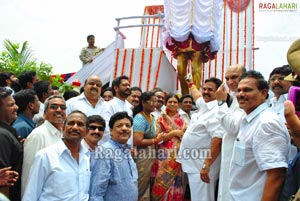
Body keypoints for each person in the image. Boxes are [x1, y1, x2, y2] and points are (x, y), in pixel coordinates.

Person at [229, 70, 290, 200]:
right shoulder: (249, 120)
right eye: (239, 90)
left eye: (247, 90)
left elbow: (276, 174)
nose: (241, 94)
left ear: (263, 93)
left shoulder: (266, 123)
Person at [22, 110, 91, 201]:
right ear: (63, 127)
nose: (75, 127)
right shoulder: (45, 156)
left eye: (80, 124)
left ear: (87, 131)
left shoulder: (86, 156)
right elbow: (31, 194)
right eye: (71, 123)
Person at [177, 77, 224, 201]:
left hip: (202, 166)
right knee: (197, 196)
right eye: (205, 89)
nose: (206, 92)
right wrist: (190, 83)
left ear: (218, 92)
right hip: (194, 163)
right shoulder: (204, 104)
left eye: (210, 90)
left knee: (202, 197)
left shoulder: (217, 111)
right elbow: (197, 95)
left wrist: (206, 165)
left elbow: (218, 139)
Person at [21, 95, 66, 196]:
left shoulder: (64, 135)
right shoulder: (38, 135)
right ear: (45, 113)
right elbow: (29, 176)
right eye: (54, 107)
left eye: (62, 107)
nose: (59, 110)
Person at [89, 112, 138, 201]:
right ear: (111, 131)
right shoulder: (104, 152)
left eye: (127, 126)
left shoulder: (127, 150)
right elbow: (96, 192)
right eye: (119, 126)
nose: (124, 128)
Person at [215, 64, 246, 201]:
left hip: (238, 153)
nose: (229, 82)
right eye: (227, 78)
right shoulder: (234, 97)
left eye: (234, 77)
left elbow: (233, 127)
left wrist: (221, 103)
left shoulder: (245, 98)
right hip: (229, 152)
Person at [151, 93, 186, 200]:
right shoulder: (160, 119)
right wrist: (173, 133)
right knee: (161, 179)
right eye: (170, 102)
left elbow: (185, 137)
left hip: (177, 155)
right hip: (163, 155)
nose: (172, 104)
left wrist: (179, 134)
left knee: (174, 181)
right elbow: (157, 138)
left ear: (179, 105)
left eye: (175, 102)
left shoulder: (183, 121)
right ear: (165, 104)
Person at [132, 91, 162, 201]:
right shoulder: (140, 118)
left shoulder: (152, 117)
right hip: (142, 156)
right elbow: (137, 141)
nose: (155, 104)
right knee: (141, 181)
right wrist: (156, 139)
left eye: (156, 101)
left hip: (151, 154)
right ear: (143, 102)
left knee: (148, 182)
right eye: (152, 101)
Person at [0, 87, 22, 201]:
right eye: (10, 105)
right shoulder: (2, 135)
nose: (16, 107)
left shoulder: (8, 132)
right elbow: (5, 178)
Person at [102, 75, 133, 144]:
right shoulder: (109, 105)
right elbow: (107, 129)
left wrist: (130, 146)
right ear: (116, 88)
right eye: (124, 85)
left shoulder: (129, 107)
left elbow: (130, 130)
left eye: (129, 85)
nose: (128, 87)